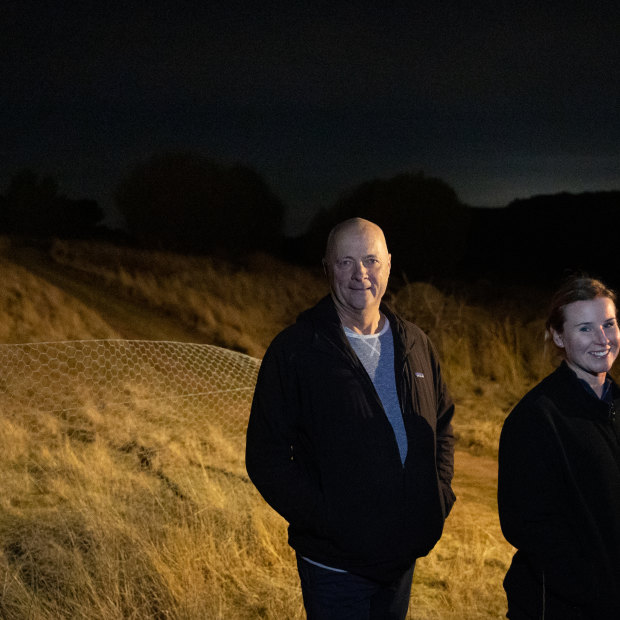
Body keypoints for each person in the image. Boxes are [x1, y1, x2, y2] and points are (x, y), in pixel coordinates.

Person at [246, 217, 456, 619]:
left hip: (401, 562)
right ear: (327, 267)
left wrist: (438, 493)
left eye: (371, 260)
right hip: (334, 567)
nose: (360, 273)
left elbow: (442, 424)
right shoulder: (296, 350)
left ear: (389, 265)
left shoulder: (415, 342)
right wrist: (329, 520)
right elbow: (265, 458)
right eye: (346, 262)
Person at [498, 275, 620, 619]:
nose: (602, 339)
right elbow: (528, 526)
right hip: (561, 607)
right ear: (558, 336)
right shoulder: (536, 418)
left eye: (609, 324)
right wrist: (597, 589)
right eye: (584, 329)